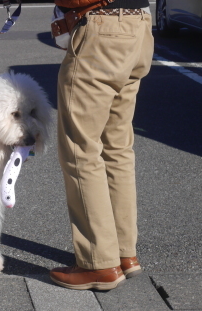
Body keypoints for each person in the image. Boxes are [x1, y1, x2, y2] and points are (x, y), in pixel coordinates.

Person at [50, 0, 154, 290]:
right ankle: (124, 254)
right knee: (116, 147)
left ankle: (98, 264)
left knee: (80, 149)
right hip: (139, 24)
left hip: (101, 28)